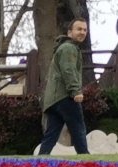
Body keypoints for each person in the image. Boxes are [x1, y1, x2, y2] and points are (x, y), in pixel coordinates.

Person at [37, 19, 92, 155]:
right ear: (69, 32)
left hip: (54, 99)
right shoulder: (69, 48)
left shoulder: (65, 47)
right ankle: (85, 159)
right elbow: (68, 70)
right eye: (79, 29)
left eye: (85, 30)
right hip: (65, 96)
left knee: (51, 135)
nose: (82, 32)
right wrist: (75, 91)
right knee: (78, 127)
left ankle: (39, 161)